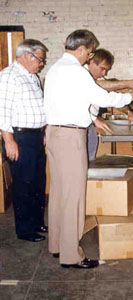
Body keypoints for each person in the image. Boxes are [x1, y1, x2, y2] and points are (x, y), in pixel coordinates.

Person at [44, 29, 133, 269]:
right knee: (74, 197)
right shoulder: (76, 72)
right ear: (81, 49)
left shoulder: (55, 69)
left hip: (55, 132)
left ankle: (58, 245)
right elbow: (103, 98)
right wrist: (131, 96)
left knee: (59, 193)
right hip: (71, 136)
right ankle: (71, 256)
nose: (89, 58)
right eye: (89, 53)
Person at [0, 39, 48, 242]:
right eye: (40, 59)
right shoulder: (8, 76)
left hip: (35, 136)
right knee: (23, 184)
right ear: (27, 56)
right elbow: (2, 110)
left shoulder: (33, 77)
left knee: (38, 182)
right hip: (19, 137)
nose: (42, 63)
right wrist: (9, 140)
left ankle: (37, 222)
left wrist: (43, 131)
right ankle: (25, 230)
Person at [86, 48, 133, 160]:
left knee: (89, 161)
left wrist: (129, 113)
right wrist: (128, 84)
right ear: (92, 63)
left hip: (91, 125)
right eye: (102, 69)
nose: (104, 73)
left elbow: (111, 96)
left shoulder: (98, 79)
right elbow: (100, 85)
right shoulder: (83, 76)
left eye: (106, 70)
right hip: (81, 127)